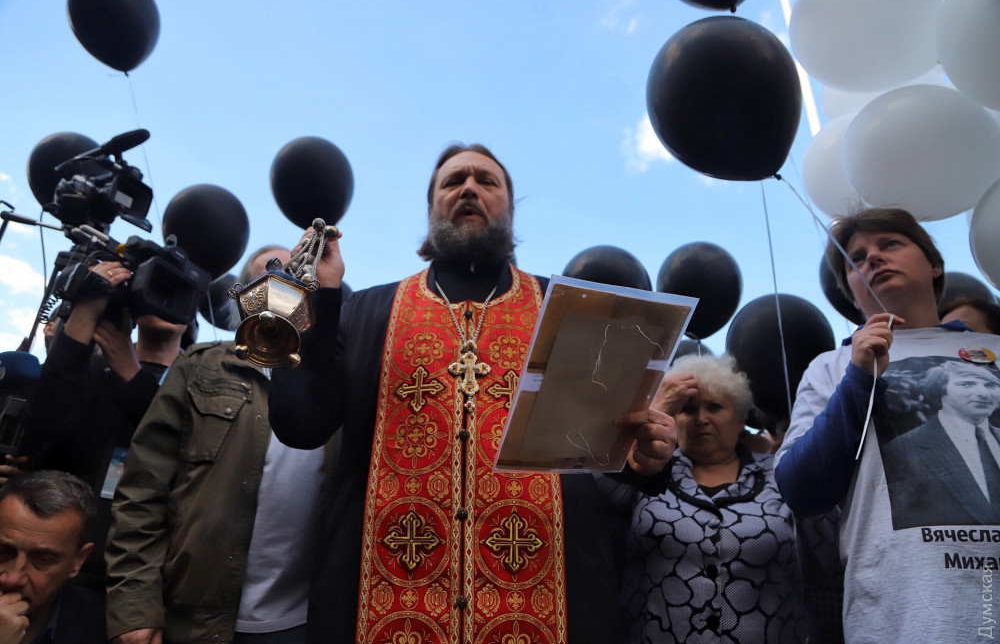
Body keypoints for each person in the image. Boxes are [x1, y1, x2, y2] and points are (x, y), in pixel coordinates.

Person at [266, 143, 675, 644]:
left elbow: (600, 449)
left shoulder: (567, 311)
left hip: (548, 599)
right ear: (431, 207)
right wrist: (321, 297)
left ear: (510, 207)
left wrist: (643, 460)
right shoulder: (366, 310)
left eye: (486, 180)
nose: (469, 188)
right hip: (386, 601)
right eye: (453, 180)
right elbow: (300, 422)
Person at [775, 207, 1000, 643]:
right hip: (905, 619)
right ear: (850, 290)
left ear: (934, 265)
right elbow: (802, 490)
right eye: (857, 259)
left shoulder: (994, 349)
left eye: (890, 244)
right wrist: (858, 377)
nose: (873, 258)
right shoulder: (831, 365)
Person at [106, 244, 336, 644]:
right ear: (243, 296)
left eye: (298, 273)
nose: (284, 279)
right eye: (269, 272)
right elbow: (142, 492)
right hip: (192, 622)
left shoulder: (334, 386)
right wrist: (135, 607)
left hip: (301, 624)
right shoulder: (199, 366)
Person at [602, 354, 808, 643]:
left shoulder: (782, 474)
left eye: (714, 407)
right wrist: (653, 413)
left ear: (740, 418)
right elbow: (597, 490)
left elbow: (823, 564)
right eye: (687, 409)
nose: (701, 419)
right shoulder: (643, 474)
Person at [25, 261, 188, 592]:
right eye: (157, 288)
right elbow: (47, 426)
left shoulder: (197, 383)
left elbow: (189, 452)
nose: (164, 300)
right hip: (65, 566)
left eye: (176, 292)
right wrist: (86, 311)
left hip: (151, 574)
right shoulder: (90, 371)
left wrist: (133, 377)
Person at [881, 360, 1000, 527]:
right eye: (966, 384)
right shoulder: (903, 448)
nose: (984, 393)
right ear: (939, 390)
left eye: (991, 385)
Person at [0, 469, 105, 643]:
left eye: (43, 560)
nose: (12, 578)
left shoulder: (105, 627)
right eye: (3, 552)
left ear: (78, 561)